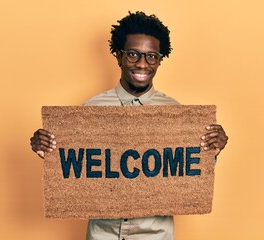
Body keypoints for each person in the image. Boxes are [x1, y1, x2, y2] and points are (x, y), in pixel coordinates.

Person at [30, 11, 228, 240]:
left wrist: (214, 148)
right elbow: (71, 164)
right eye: (133, 54)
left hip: (155, 235)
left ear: (160, 59)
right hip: (102, 234)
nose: (143, 64)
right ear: (118, 56)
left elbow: (189, 169)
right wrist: (46, 147)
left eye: (151, 56)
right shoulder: (89, 111)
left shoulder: (176, 114)